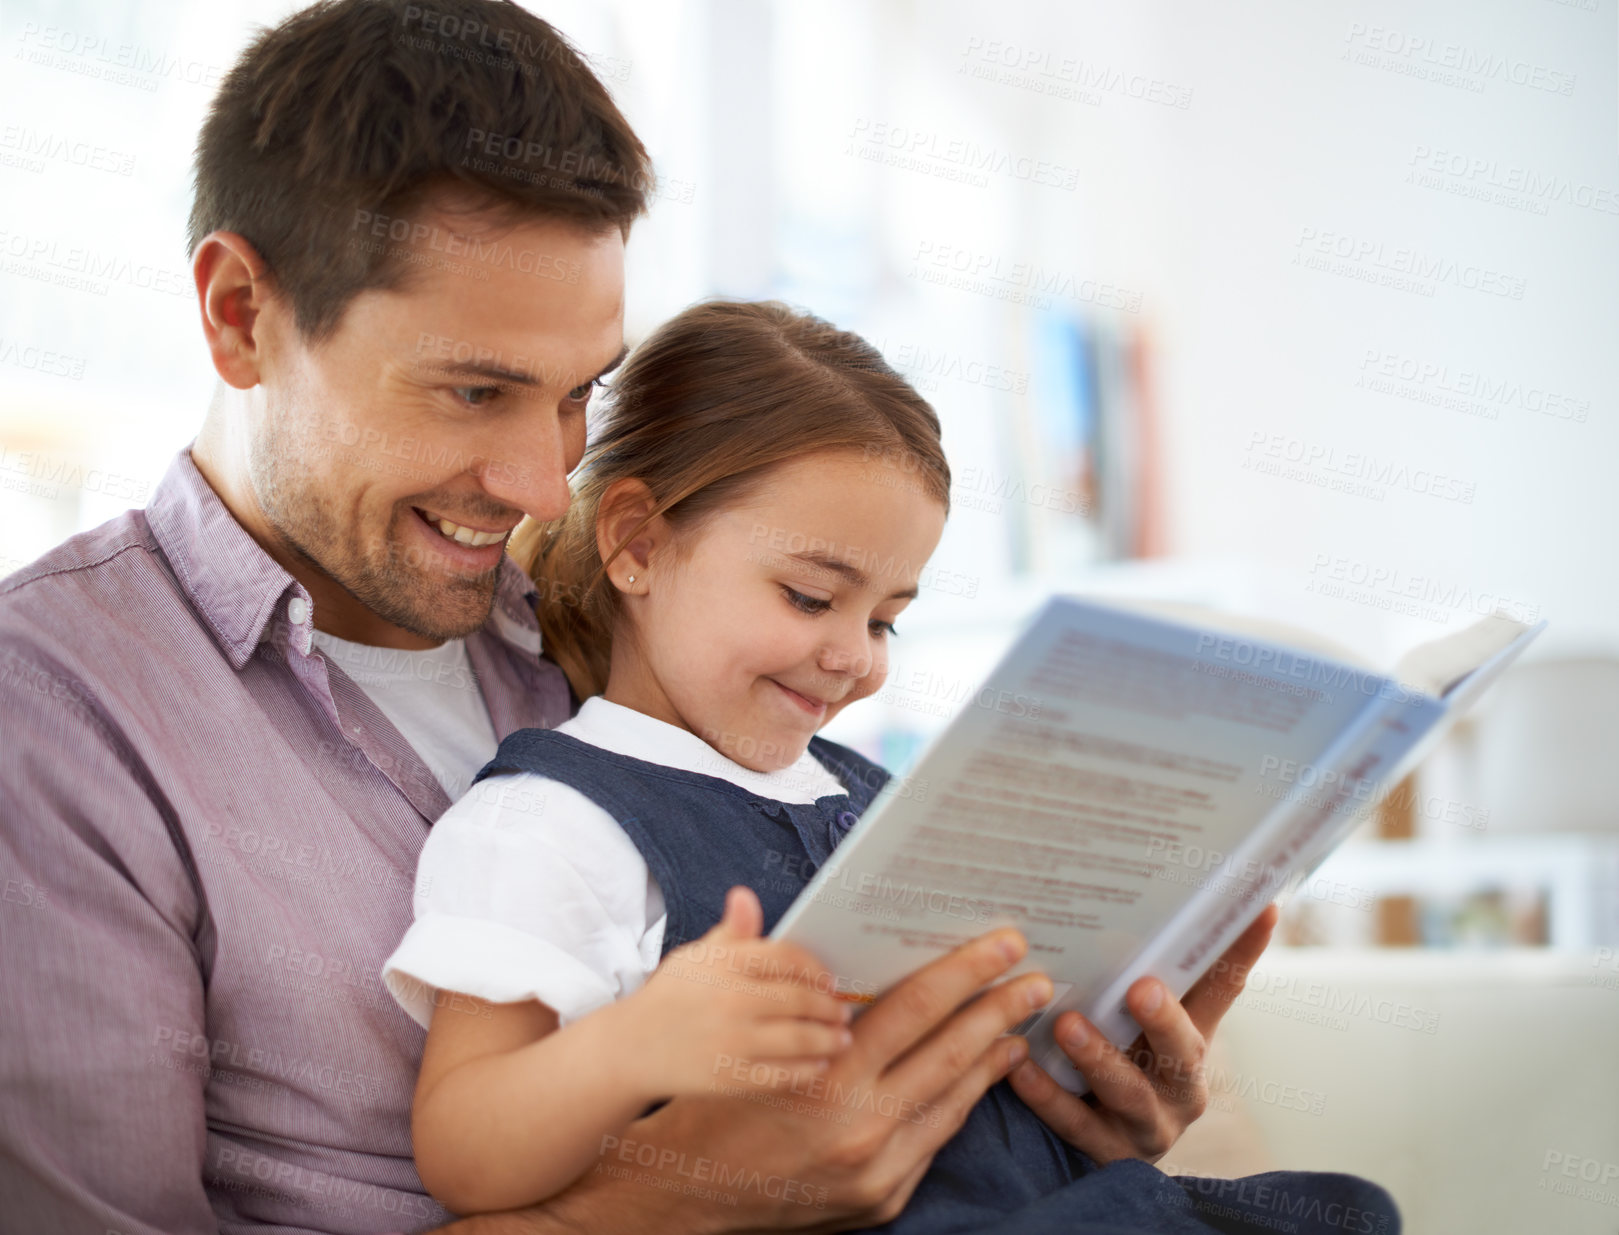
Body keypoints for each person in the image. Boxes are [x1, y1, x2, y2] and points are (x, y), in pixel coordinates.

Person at [0, 2, 1289, 1232]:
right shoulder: (54, 720)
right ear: (239, 313)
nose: (537, 484)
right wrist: (678, 1200)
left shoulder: (639, 633)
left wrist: (1056, 1110)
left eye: (578, 393)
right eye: (471, 391)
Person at [380, 300, 1401, 1234]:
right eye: (810, 596)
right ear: (638, 543)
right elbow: (462, 1145)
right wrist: (636, 1040)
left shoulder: (857, 791)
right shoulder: (548, 822)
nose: (854, 656)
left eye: (885, 620)